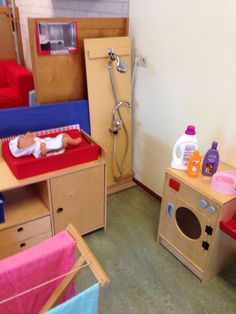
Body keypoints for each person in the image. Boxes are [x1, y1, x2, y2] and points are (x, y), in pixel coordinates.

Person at [9, 131, 82, 158]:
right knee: (65, 140)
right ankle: (74, 142)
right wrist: (43, 148)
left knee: (64, 135)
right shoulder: (36, 151)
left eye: (24, 138)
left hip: (53, 140)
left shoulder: (33, 141)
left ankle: (71, 140)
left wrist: (31, 135)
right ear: (27, 150)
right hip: (56, 147)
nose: (26, 138)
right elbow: (43, 155)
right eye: (25, 141)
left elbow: (35, 135)